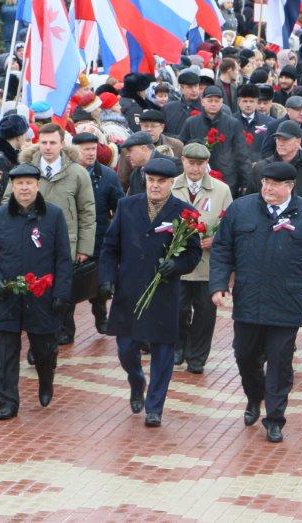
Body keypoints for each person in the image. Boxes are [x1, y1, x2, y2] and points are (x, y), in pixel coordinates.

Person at [209, 161, 302, 443]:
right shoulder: (241, 209)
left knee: (280, 362)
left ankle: (275, 418)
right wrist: (218, 285)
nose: (267, 188)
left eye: (275, 184)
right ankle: (255, 396)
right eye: (265, 182)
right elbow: (222, 249)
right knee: (244, 354)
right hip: (248, 300)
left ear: (290, 187)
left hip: (286, 301)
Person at [99, 157, 202, 427]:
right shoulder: (126, 205)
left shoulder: (184, 212)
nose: (155, 186)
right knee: (125, 348)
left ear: (171, 183)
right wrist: (107, 278)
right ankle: (136, 381)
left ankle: (155, 406)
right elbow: (110, 247)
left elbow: (193, 253)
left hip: (164, 292)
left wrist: (176, 265)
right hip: (129, 289)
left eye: (161, 181)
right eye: (151, 180)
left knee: (163, 352)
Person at [0, 164, 74, 420]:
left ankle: (46, 379)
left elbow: (63, 258)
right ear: (12, 186)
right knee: (7, 352)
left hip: (42, 297)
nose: (24, 188)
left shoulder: (53, 215)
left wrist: (61, 293)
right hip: (8, 296)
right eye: (19, 183)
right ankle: (8, 401)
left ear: (37, 185)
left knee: (44, 349)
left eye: (29, 183)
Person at [8, 122, 95, 345]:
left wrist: (85, 247)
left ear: (61, 144)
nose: (47, 147)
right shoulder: (26, 170)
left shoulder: (77, 172)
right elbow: (7, 204)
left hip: (66, 242)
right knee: (33, 288)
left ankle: (61, 330)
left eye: (52, 143)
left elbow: (87, 211)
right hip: (30, 243)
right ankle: (38, 339)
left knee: (61, 288)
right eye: (43, 142)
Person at [172, 143, 233, 374]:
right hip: (179, 262)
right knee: (177, 308)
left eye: (200, 164)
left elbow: (228, 224)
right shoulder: (173, 186)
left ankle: (197, 356)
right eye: (191, 163)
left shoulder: (221, 189)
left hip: (208, 264)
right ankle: (178, 346)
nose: (195, 168)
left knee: (205, 312)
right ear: (183, 162)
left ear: (207, 164)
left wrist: (214, 238)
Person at [72, 132, 123, 335]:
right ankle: (67, 328)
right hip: (72, 238)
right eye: (86, 149)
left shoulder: (108, 175)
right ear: (75, 150)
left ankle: (101, 317)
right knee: (70, 284)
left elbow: (119, 205)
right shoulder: (68, 173)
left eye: (93, 148)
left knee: (99, 285)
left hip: (99, 237)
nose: (91, 153)